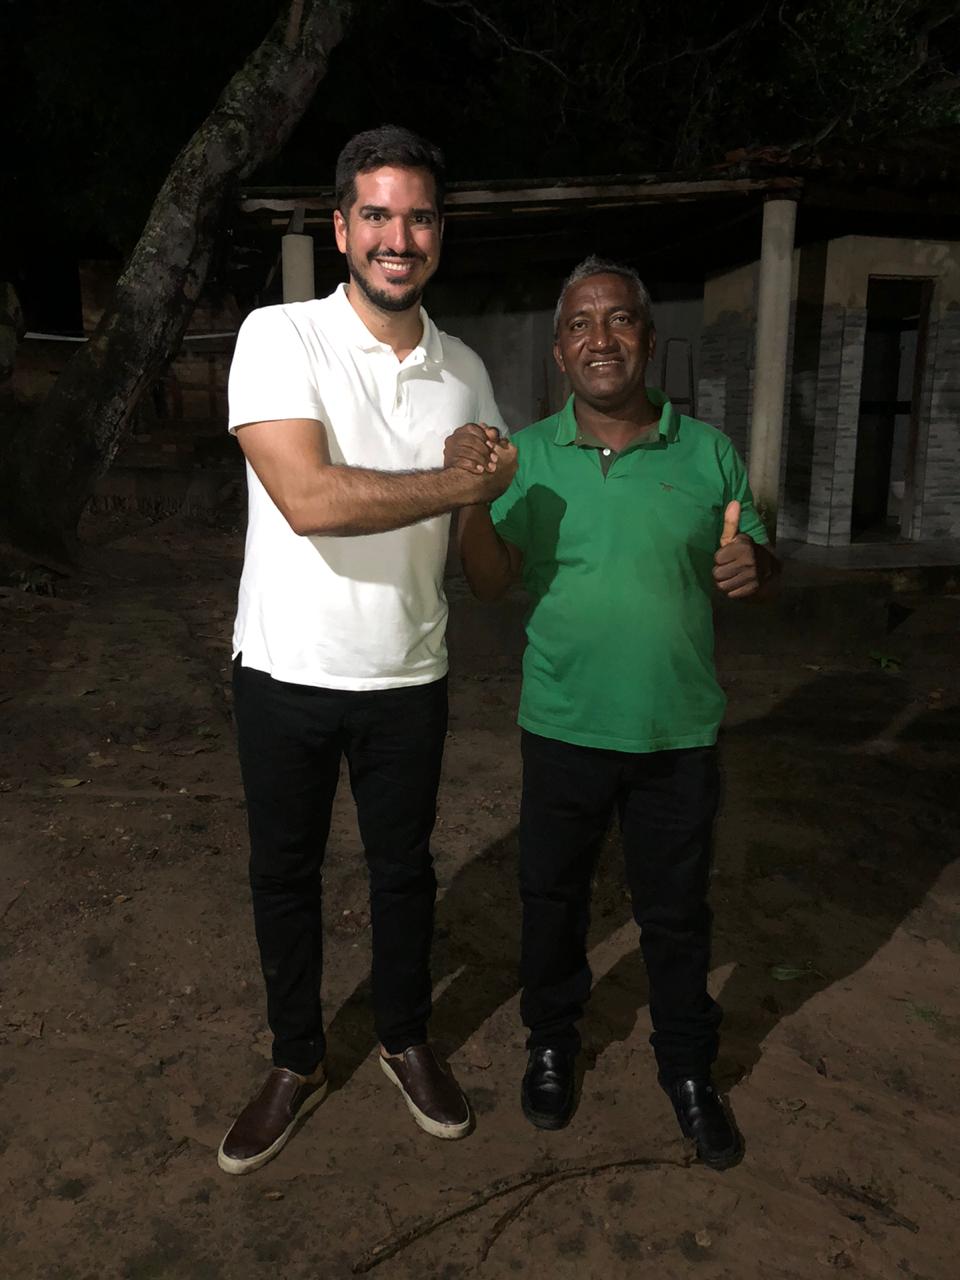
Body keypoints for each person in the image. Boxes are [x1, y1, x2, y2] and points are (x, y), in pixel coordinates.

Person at [217, 124, 517, 1175]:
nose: (400, 237)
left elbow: (483, 565)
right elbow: (307, 499)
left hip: (408, 675)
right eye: (378, 215)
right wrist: (456, 481)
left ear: (439, 233)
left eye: (419, 217)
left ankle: (403, 1036)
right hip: (285, 671)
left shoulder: (465, 371)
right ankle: (296, 1057)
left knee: (404, 873)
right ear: (342, 227)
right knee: (284, 873)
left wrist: (487, 495)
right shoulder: (279, 336)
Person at [446, 255, 778, 1170]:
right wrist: (475, 504)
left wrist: (758, 566)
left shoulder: (708, 452)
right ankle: (553, 1043)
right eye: (580, 324)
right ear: (560, 351)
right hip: (563, 726)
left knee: (676, 912)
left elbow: (754, 555)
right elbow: (489, 582)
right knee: (551, 900)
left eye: (619, 319)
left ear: (648, 340)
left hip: (678, 732)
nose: (601, 338)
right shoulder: (528, 457)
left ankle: (688, 1067)